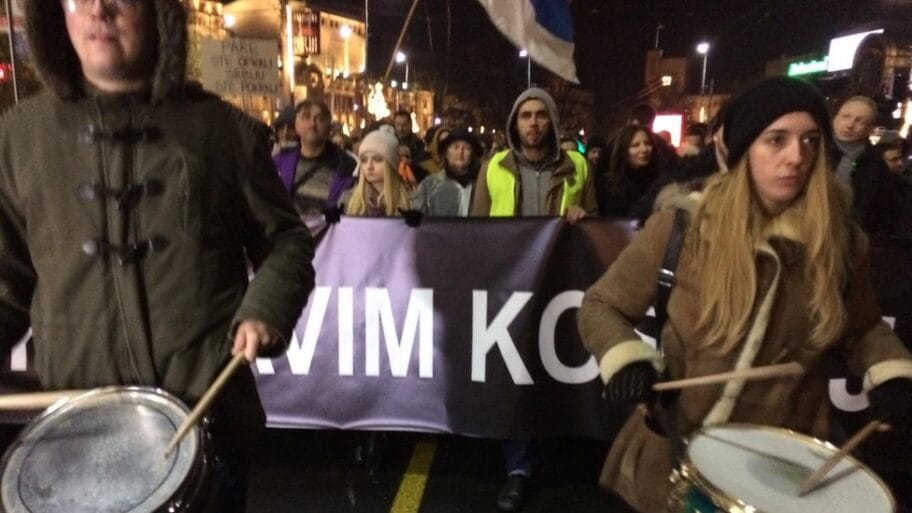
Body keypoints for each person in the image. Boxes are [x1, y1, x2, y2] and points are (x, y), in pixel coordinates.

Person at [3, 1, 316, 512]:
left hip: (205, 433)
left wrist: (265, 309)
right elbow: (4, 280)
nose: (98, 10)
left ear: (158, 15)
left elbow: (287, 239)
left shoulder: (224, 131)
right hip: (74, 446)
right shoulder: (18, 140)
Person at [577, 77, 912, 513]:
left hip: (783, 465)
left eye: (811, 140)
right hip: (678, 451)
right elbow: (601, 305)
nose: (797, 156)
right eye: (776, 140)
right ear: (741, 150)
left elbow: (863, 328)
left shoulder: (840, 243)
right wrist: (625, 358)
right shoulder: (680, 230)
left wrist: (891, 373)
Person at [471, 87, 595, 512]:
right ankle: (518, 468)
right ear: (514, 122)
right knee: (516, 374)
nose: (533, 123)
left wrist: (585, 217)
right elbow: (475, 230)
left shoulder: (577, 166)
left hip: (560, 283)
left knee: (553, 367)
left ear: (552, 121)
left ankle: (552, 447)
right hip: (509, 287)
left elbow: (597, 223)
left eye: (541, 115)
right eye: (525, 115)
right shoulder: (494, 168)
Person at [831, 95, 907, 236]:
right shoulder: (813, 150)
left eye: (860, 121)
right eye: (846, 116)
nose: (850, 124)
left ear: (869, 129)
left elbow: (884, 212)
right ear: (835, 117)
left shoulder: (875, 165)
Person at [273, 100, 357, 217]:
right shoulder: (279, 162)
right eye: (306, 117)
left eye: (319, 119)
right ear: (297, 125)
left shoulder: (347, 166)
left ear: (329, 127)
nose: (312, 124)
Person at [595, 125, 676, 221]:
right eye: (635, 145)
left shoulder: (659, 181)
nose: (644, 149)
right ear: (624, 150)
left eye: (647, 143)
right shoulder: (608, 183)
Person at [411, 128, 482, 216]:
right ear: (446, 153)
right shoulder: (429, 185)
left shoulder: (480, 186)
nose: (460, 152)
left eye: (467, 148)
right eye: (456, 147)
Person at [345, 127, 410, 216]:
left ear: (390, 164)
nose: (369, 166)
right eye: (364, 160)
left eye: (377, 159)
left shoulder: (409, 201)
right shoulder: (348, 200)